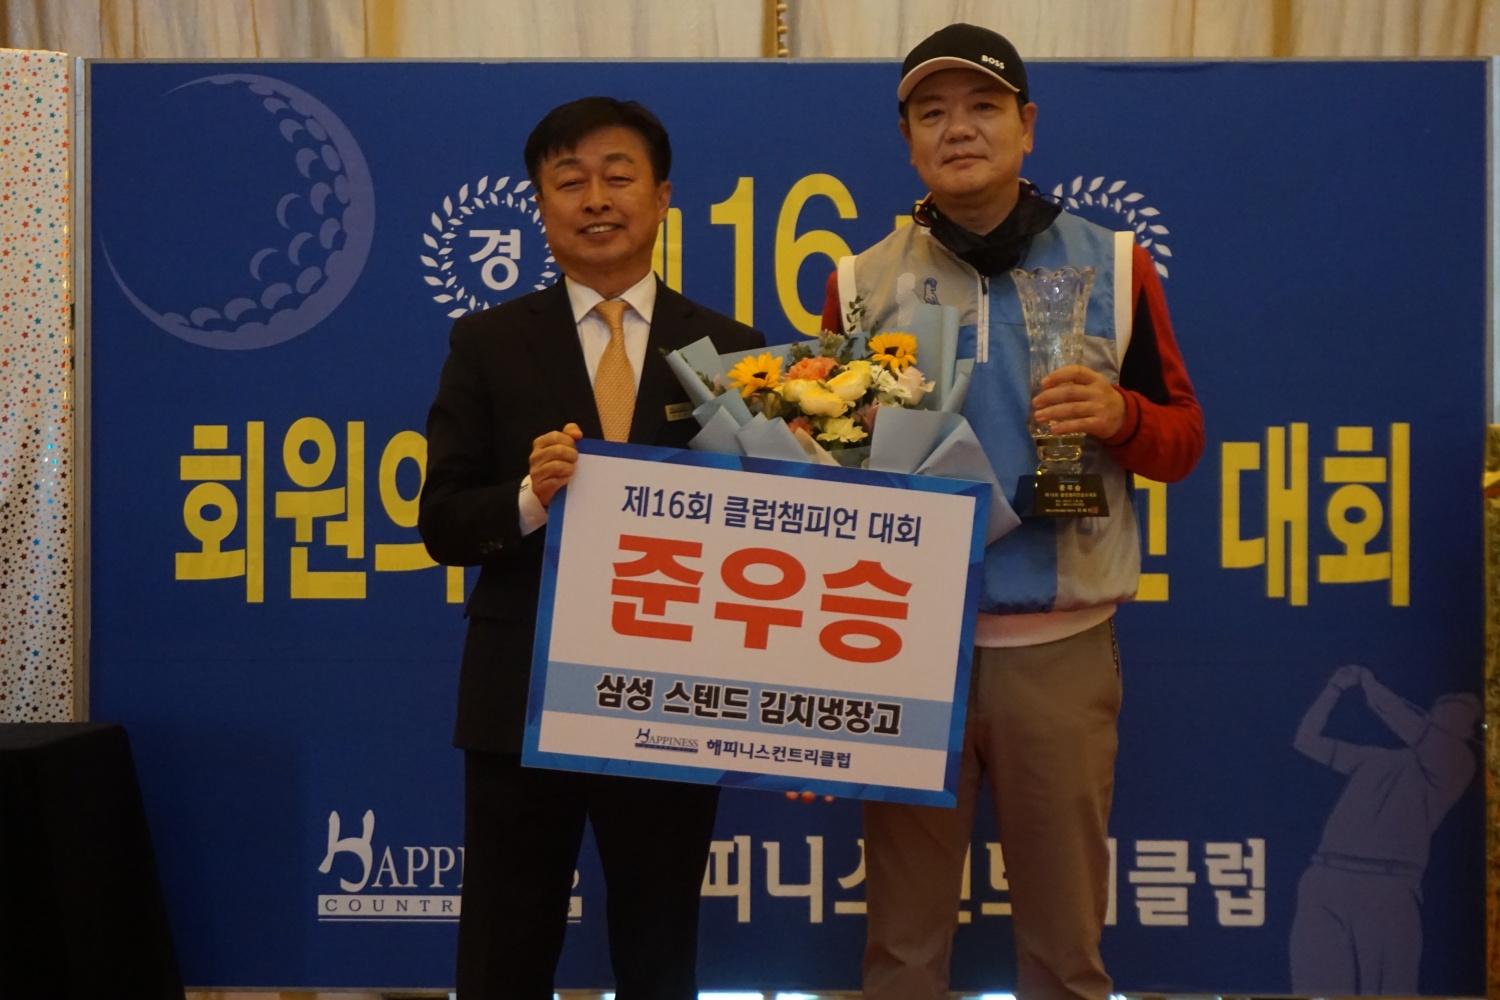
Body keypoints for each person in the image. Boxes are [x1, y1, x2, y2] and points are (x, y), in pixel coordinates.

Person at [819, 24, 1204, 1000]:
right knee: (901, 954)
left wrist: (1120, 415)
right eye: (932, 113)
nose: (959, 130)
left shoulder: (1115, 264)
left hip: (1060, 649)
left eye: (983, 107)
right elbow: (827, 474)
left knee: (1067, 954)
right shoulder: (859, 284)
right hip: (904, 647)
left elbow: (1183, 441)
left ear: (1027, 125)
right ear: (907, 139)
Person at [419, 96, 762, 1000]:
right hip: (522, 692)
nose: (596, 199)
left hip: (673, 689)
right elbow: (442, 519)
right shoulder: (488, 343)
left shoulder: (731, 350)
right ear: (542, 205)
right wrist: (530, 498)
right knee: (505, 946)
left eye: (619, 177)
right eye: (570, 182)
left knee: (659, 946)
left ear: (662, 197)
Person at [1289, 665, 1480, 993]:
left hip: (1388, 889)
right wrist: (1333, 689)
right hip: (1326, 877)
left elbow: (1403, 721)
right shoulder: (1378, 760)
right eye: (1443, 710)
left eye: (1458, 714)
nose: (1446, 719)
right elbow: (1306, 741)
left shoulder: (1457, 764)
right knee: (1315, 986)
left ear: (1467, 730)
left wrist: (1370, 686)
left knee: (1388, 992)